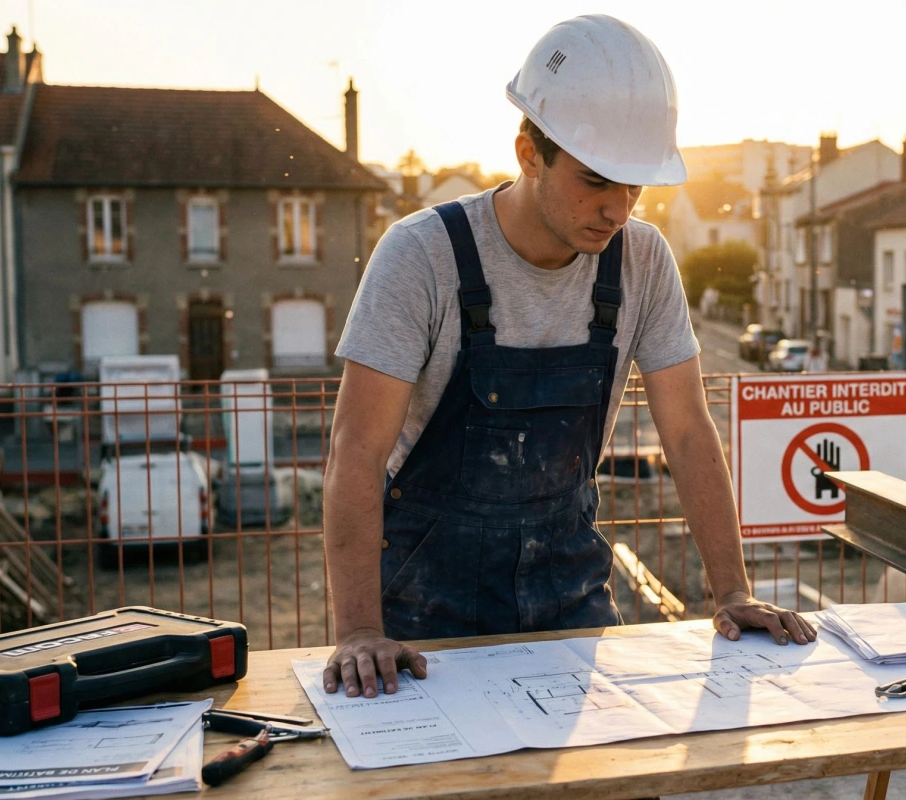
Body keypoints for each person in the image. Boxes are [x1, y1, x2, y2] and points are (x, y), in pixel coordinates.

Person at [322, 15, 814, 700]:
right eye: (595, 181)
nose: (617, 210)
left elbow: (688, 431)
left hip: (570, 597)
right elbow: (356, 450)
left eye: (634, 188)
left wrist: (731, 589)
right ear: (529, 153)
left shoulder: (643, 261)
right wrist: (357, 632)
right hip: (422, 613)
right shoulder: (422, 257)